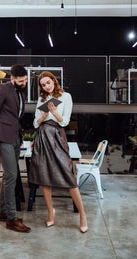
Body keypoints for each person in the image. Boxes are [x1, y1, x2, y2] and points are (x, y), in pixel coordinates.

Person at [28, 71, 88, 233]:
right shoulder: (41, 100)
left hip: (57, 136)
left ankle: (82, 215)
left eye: (48, 82)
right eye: (43, 84)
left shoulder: (66, 96)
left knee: (68, 176)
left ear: (54, 81)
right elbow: (35, 123)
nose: (46, 86)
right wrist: (43, 116)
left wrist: (53, 113)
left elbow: (65, 121)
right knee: (44, 177)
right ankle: (50, 213)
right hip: (42, 137)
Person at [0, 64, 31, 233]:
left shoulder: (19, 91)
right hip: (3, 138)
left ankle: (3, 212)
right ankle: (12, 219)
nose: (24, 83)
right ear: (12, 78)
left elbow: (15, 115)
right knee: (12, 176)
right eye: (21, 81)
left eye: (26, 80)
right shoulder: (1, 90)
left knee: (8, 176)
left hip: (15, 138)